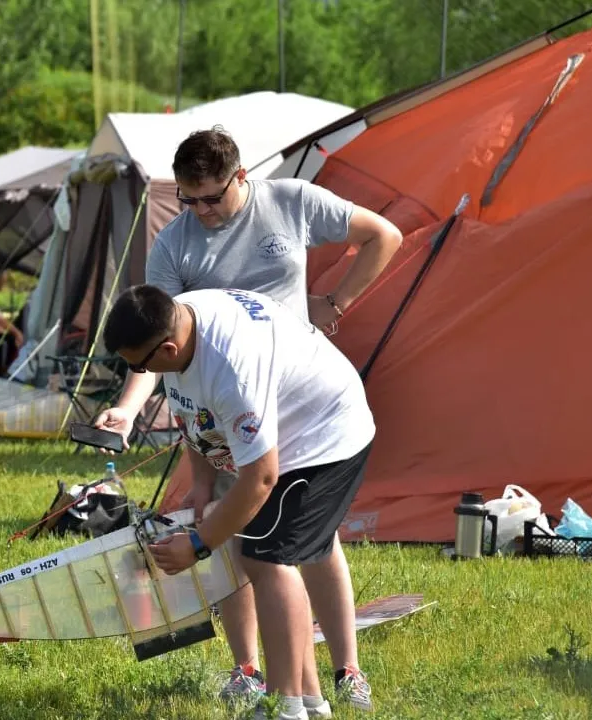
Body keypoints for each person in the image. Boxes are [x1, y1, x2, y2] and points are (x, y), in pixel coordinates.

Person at [93, 127, 400, 710]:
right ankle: (265, 678)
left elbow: (383, 235)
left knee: (285, 547)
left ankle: (334, 678)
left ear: (241, 178)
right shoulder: (177, 263)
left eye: (212, 197)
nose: (201, 212)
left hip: (299, 406)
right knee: (243, 536)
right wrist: (131, 410)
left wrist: (334, 302)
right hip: (229, 406)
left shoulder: (290, 202)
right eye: (188, 200)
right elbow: (158, 344)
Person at [105, 285, 375, 720]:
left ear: (168, 347)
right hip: (287, 433)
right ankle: (311, 700)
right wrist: (203, 482)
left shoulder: (232, 371)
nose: (139, 373)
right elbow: (195, 411)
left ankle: (286, 707)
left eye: (139, 365)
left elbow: (262, 477)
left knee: (267, 558)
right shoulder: (183, 320)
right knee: (260, 549)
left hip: (326, 437)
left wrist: (197, 544)